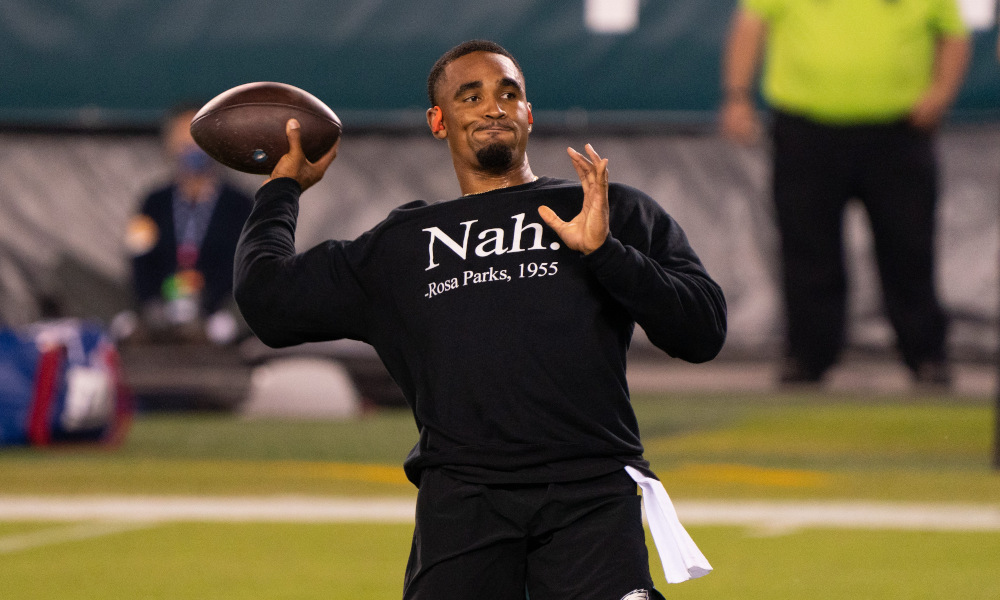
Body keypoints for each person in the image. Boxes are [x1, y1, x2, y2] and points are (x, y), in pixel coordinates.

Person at [235, 40, 726, 599]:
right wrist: (281, 191)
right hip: (464, 505)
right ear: (438, 121)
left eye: (508, 94)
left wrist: (608, 253)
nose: (494, 107)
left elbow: (703, 331)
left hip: (590, 496)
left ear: (529, 115)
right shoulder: (402, 245)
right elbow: (268, 302)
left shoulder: (604, 208)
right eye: (471, 96)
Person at [720, 0, 970, 387]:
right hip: (806, 130)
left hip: (899, 131)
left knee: (910, 248)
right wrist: (737, 96)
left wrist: (941, 93)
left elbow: (953, 34)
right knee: (807, 249)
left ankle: (926, 356)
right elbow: (751, 24)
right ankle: (808, 359)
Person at [125, 104, 253, 345]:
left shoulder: (241, 204)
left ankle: (219, 329)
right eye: (182, 139)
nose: (191, 147)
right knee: (70, 274)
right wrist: (152, 302)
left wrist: (211, 304)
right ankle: (135, 325)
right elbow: (139, 256)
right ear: (169, 145)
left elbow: (243, 265)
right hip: (161, 305)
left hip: (219, 307)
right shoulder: (153, 202)